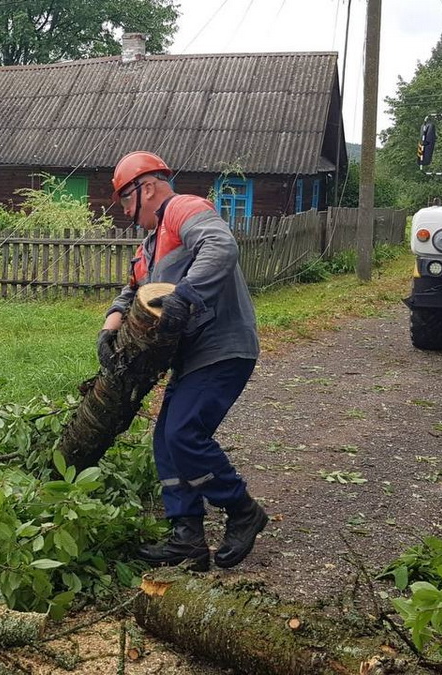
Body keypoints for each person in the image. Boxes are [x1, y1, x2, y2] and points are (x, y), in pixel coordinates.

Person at [98, 150, 265, 571]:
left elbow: (220, 244)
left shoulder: (183, 210)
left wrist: (186, 293)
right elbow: (130, 291)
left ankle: (242, 509)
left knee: (185, 432)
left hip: (223, 344)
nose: (127, 212)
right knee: (167, 441)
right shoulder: (150, 246)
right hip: (192, 355)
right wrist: (109, 327)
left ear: (147, 187)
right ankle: (187, 537)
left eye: (126, 201)